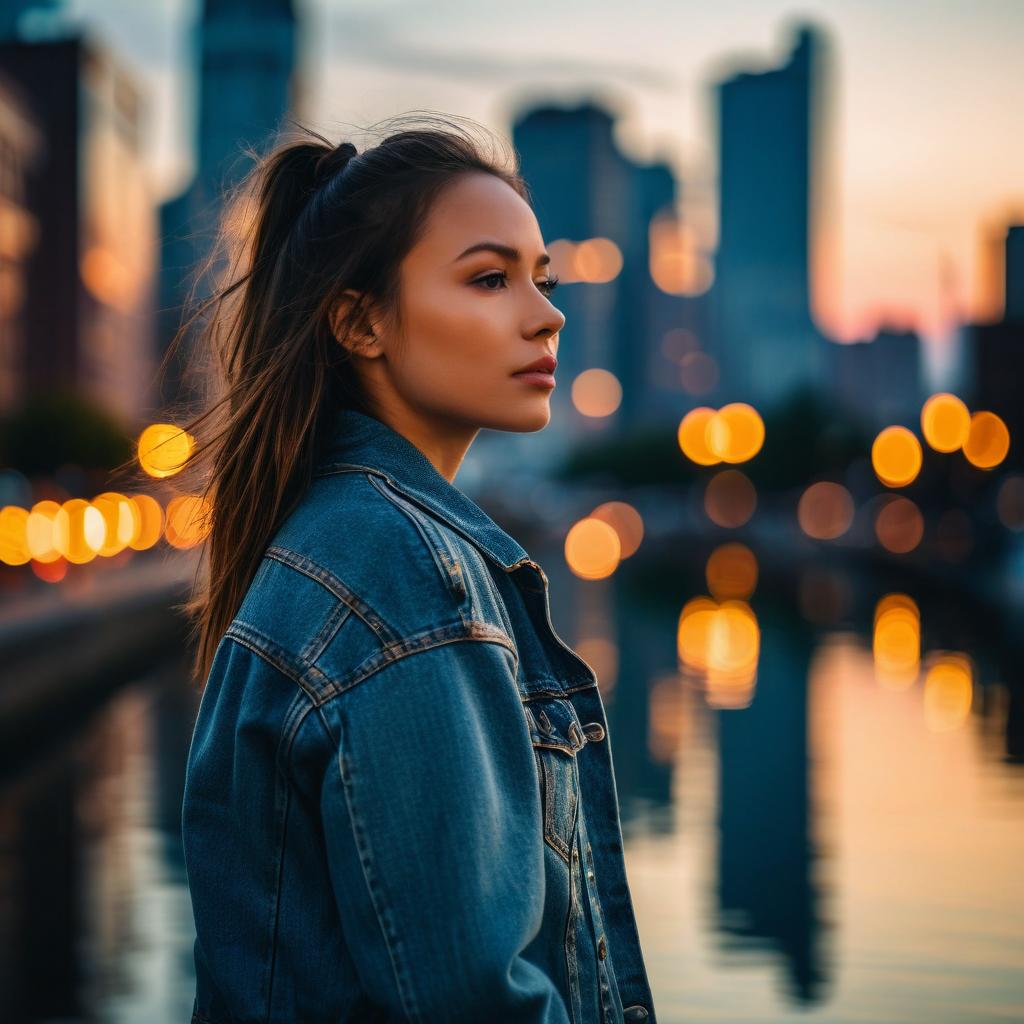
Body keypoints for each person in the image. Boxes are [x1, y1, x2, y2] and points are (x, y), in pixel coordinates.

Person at [174, 112, 657, 1024]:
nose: (548, 312)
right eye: (489, 278)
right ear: (360, 322)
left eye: (541, 279)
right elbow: (474, 1003)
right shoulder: (405, 572)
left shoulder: (340, 535)